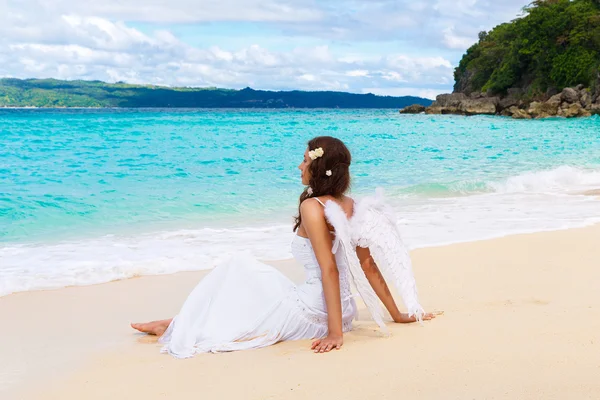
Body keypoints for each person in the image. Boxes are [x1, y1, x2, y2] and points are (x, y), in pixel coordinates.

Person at [131, 136, 435, 357]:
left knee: (239, 269)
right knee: (249, 293)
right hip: (343, 310)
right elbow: (368, 266)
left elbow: (330, 270)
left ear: (319, 168)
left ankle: (172, 326)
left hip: (315, 310)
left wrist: (335, 334)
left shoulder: (313, 207)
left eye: (305, 159)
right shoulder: (352, 205)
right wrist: (397, 314)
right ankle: (172, 322)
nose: (300, 164)